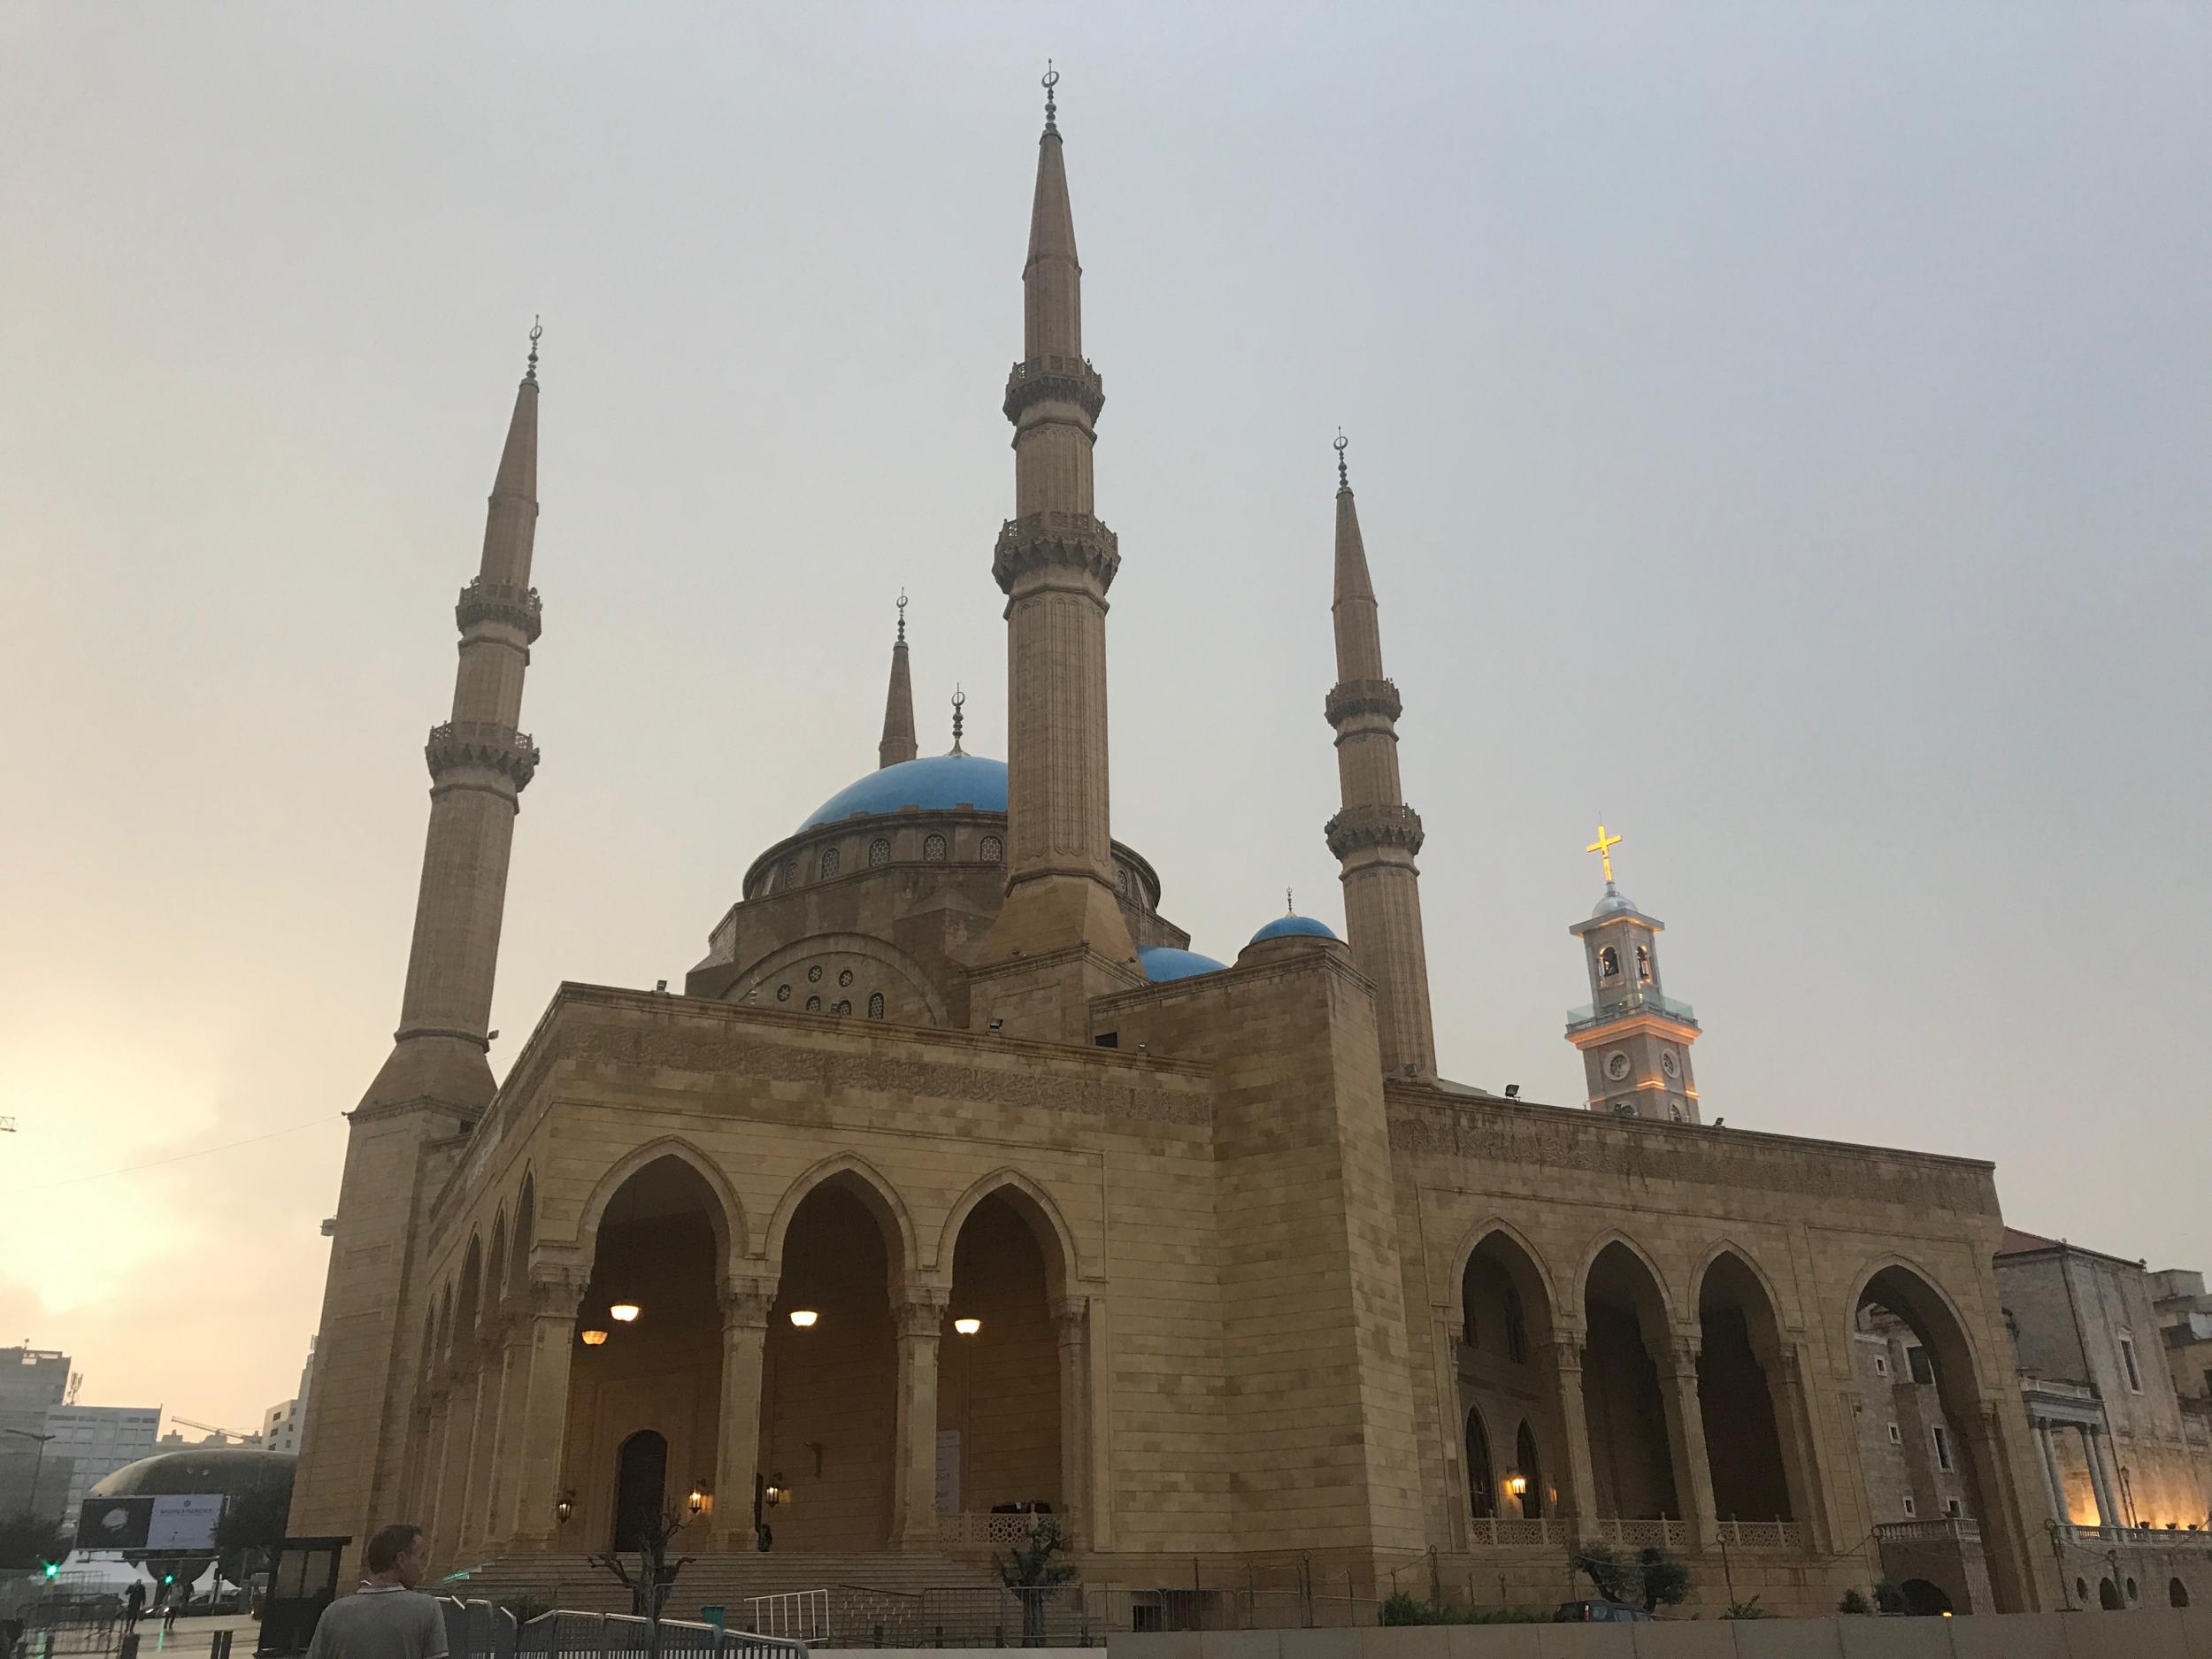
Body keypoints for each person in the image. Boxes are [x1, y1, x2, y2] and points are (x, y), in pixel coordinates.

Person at [303, 1525, 446, 1659]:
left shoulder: (333, 1612)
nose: (423, 1567)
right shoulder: (427, 1608)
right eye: (421, 1557)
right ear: (401, 1559)